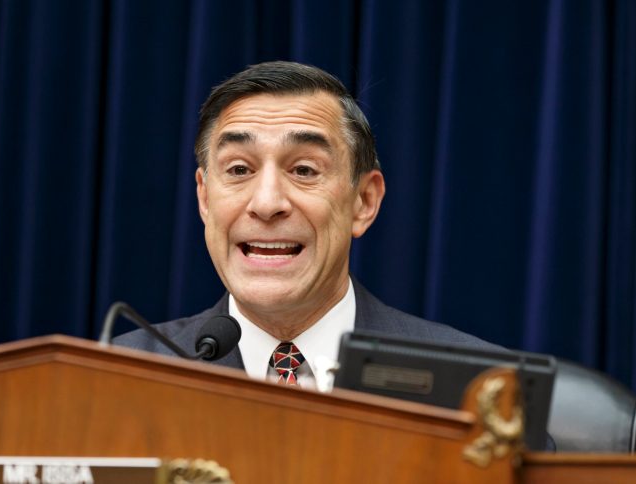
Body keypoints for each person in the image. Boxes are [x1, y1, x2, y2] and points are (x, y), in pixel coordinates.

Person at [114, 61, 497, 387]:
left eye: (303, 170)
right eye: (239, 169)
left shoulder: (477, 386)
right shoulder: (120, 375)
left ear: (364, 201)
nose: (266, 204)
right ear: (204, 198)